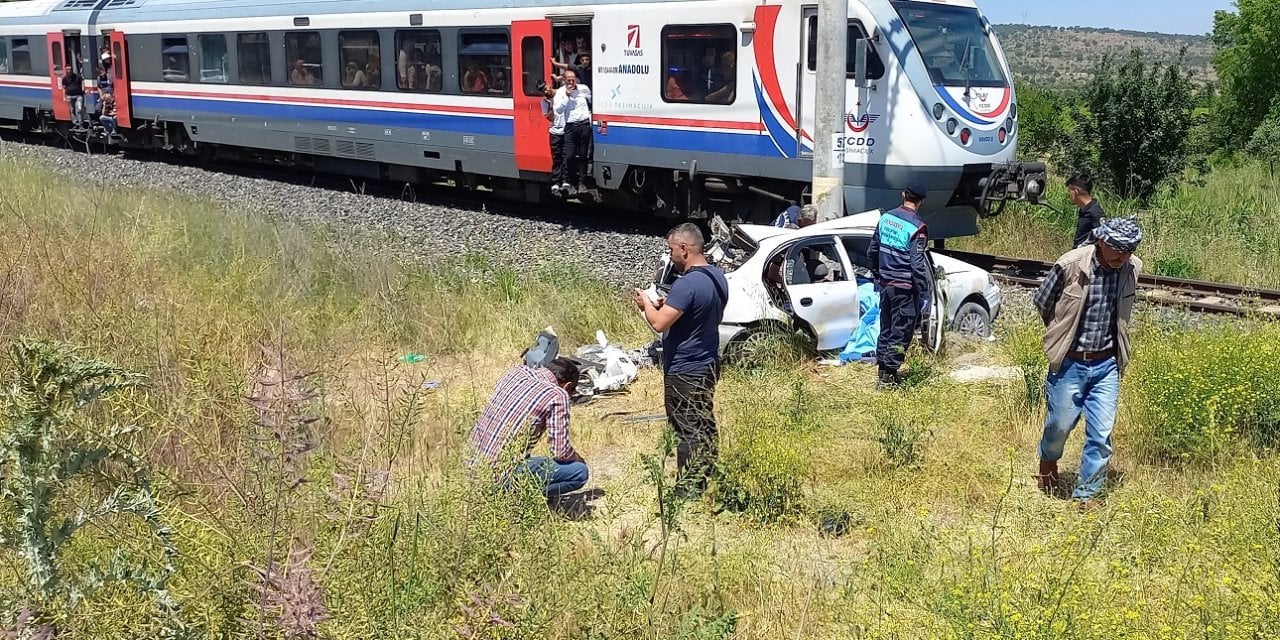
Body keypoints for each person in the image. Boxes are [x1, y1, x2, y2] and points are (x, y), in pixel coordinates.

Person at [1032, 217, 1144, 510]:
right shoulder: (1071, 264)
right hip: (1070, 363)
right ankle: (1047, 461)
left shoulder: (1132, 269)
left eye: (1130, 250)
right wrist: (1059, 333)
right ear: (1102, 242)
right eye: (1119, 250)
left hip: (1106, 364)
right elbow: (1043, 301)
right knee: (1060, 425)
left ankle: (1087, 494)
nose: (1124, 256)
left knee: (1101, 433)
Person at [633, 223, 729, 495]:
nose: (670, 255)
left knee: (686, 426)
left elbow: (660, 324)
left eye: (671, 249)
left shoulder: (686, 284)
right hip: (708, 362)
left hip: (685, 369)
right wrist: (670, 307)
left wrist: (646, 306)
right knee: (704, 420)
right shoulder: (717, 277)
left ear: (684, 249)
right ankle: (709, 472)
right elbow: (701, 313)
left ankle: (688, 489)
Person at [468, 358, 589, 499]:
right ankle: (516, 499)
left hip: (471, 467)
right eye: (571, 393)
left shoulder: (515, 373)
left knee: (522, 453)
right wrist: (578, 458)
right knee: (579, 472)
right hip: (497, 476)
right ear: (567, 386)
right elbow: (561, 452)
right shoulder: (557, 395)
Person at [867, 178, 933, 389]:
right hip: (905, 289)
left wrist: (878, 275)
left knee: (886, 328)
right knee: (901, 332)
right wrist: (923, 292)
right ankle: (889, 378)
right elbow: (917, 264)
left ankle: (882, 373)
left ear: (903, 195)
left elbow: (872, 251)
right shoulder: (918, 227)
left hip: (886, 286)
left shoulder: (885, 218)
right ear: (921, 201)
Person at [554, 69, 592, 195]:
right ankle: (570, 182)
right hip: (570, 127)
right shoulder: (560, 93)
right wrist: (567, 96)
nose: (572, 82)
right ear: (564, 81)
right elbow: (558, 110)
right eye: (569, 80)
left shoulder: (584, 88)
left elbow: (591, 100)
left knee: (583, 156)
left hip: (584, 125)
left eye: (573, 79)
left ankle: (582, 183)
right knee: (569, 156)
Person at [538, 79, 568, 197]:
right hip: (555, 131)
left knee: (566, 156)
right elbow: (550, 118)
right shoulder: (544, 102)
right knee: (557, 157)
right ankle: (556, 182)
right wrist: (551, 105)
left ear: (549, 85)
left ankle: (566, 181)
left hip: (567, 130)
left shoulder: (562, 92)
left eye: (546, 88)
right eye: (544, 90)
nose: (546, 91)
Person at [1067, 174, 1104, 249]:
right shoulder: (1085, 209)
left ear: (1076, 191)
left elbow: (1103, 237)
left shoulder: (1095, 212)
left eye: (1069, 191)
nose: (1068, 194)